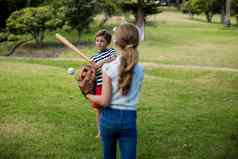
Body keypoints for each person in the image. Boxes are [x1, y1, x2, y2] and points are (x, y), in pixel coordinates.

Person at [87, 23, 144, 159]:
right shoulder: (140, 69)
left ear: (115, 42)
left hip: (108, 119)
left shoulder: (108, 68)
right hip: (129, 119)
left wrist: (88, 95)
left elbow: (104, 101)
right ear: (136, 42)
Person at [90, 29, 117, 138]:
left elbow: (115, 59)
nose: (99, 43)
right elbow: (93, 74)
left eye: (102, 41)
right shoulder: (93, 58)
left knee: (111, 108)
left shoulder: (111, 51)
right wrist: (93, 69)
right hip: (100, 86)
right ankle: (100, 131)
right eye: (97, 41)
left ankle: (114, 130)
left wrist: (101, 63)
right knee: (99, 109)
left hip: (111, 85)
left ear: (107, 42)